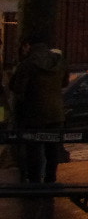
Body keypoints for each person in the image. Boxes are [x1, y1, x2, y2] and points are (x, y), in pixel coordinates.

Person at [9, 42, 68, 183]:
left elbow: (17, 88)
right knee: (52, 148)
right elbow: (64, 83)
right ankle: (50, 179)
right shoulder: (59, 61)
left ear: (28, 46)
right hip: (56, 113)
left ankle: (34, 182)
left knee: (33, 149)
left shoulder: (27, 64)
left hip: (33, 114)